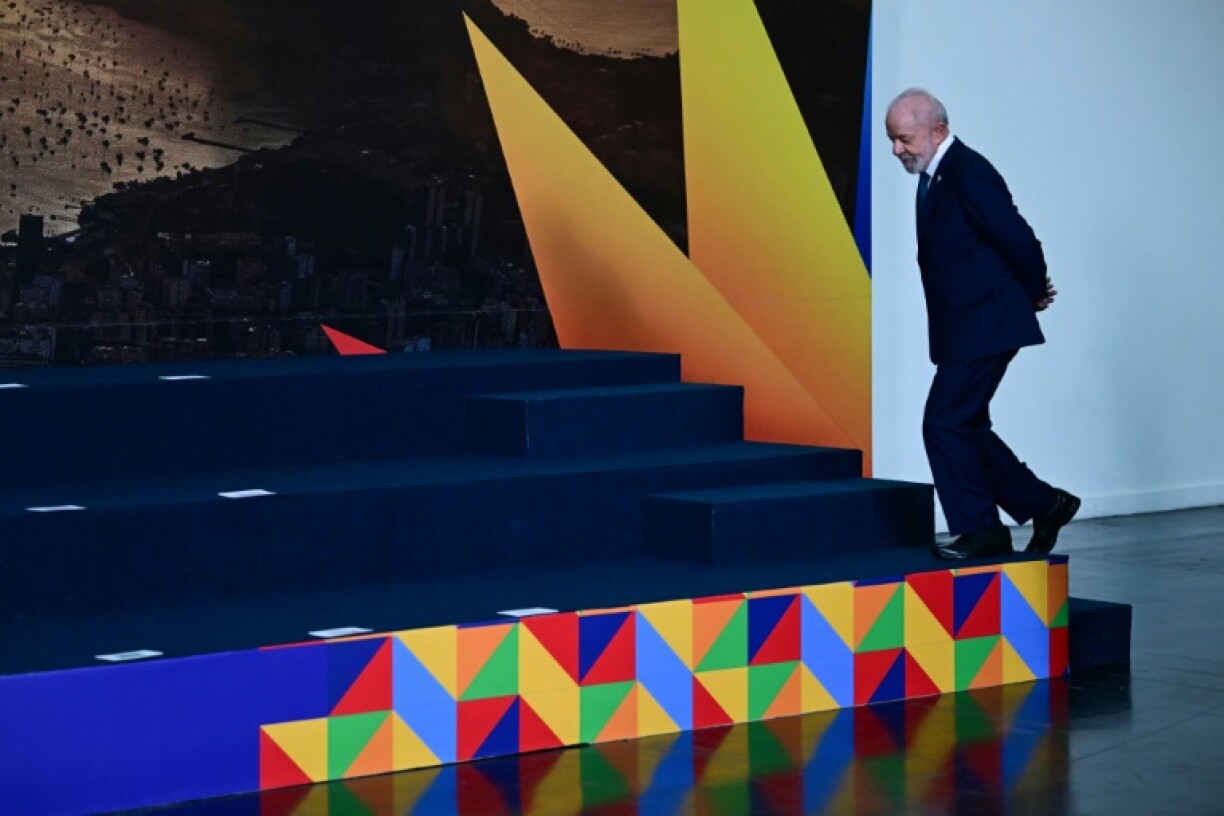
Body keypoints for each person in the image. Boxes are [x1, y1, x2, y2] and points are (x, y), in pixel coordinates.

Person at [884, 87, 1079, 559]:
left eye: (904, 139)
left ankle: (982, 530)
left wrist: (1034, 291)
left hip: (987, 321)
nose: (896, 150)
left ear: (938, 130)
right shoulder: (939, 174)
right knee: (965, 424)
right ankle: (1045, 503)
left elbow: (1018, 237)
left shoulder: (967, 171)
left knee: (943, 423)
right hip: (968, 325)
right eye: (892, 139)